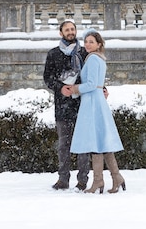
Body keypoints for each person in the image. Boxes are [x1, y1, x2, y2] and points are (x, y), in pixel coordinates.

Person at [62, 29, 125, 194]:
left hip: (92, 103)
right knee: (101, 142)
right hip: (95, 100)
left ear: (98, 44)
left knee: (95, 142)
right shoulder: (98, 59)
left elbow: (90, 84)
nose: (88, 44)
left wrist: (74, 88)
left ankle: (99, 181)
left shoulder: (92, 59)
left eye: (91, 41)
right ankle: (115, 177)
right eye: (86, 41)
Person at [43, 20, 90, 190]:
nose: (70, 32)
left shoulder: (84, 53)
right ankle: (63, 179)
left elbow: (93, 77)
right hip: (62, 106)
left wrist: (103, 89)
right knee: (64, 145)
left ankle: (83, 180)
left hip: (82, 105)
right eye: (67, 30)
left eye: (72, 29)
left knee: (83, 144)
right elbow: (48, 78)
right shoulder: (53, 54)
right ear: (60, 33)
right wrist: (60, 88)